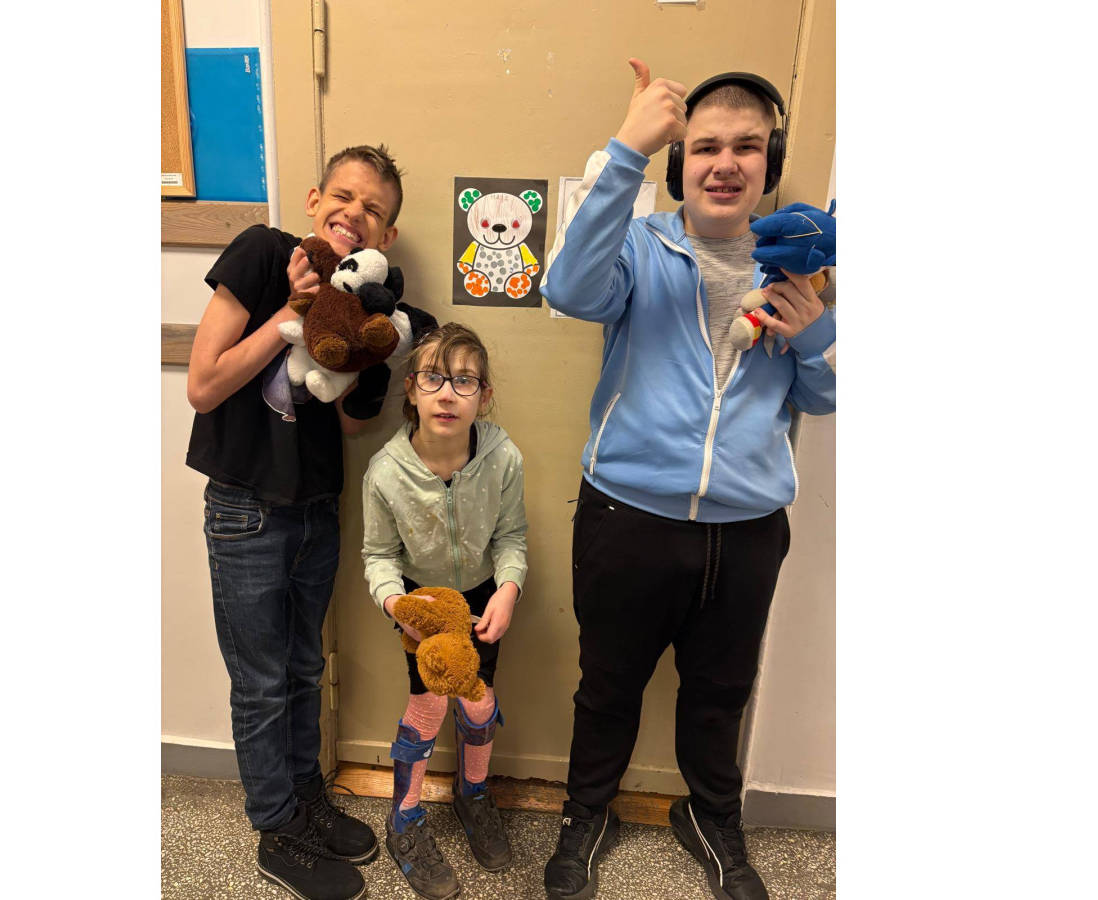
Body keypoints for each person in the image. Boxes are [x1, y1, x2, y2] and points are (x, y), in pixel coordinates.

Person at [539, 60, 836, 900]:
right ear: (680, 161)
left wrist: (817, 334)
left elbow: (823, 397)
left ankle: (711, 818)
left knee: (720, 695)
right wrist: (625, 151)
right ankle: (585, 813)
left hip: (747, 531)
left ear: (770, 163)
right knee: (608, 689)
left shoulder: (799, 267)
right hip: (627, 517)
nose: (725, 163)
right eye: (705, 146)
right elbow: (568, 289)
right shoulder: (638, 246)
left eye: (747, 146)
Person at [186, 145, 410, 900]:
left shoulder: (367, 291)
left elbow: (348, 423)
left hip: (317, 505)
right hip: (244, 508)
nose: (354, 214)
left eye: (373, 210)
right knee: (260, 682)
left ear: (387, 236)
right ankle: (275, 828)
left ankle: (305, 798)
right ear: (314, 199)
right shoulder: (262, 252)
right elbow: (203, 385)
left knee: (305, 668)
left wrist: (375, 352)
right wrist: (292, 310)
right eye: (343, 196)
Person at [361, 322, 529, 900]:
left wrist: (508, 589)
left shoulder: (503, 458)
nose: (447, 393)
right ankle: (404, 819)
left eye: (464, 381)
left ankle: (472, 793)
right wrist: (397, 604)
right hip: (424, 607)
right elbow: (378, 555)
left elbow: (512, 537)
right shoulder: (386, 471)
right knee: (429, 704)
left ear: (484, 396)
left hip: (484, 597)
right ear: (411, 389)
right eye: (432, 378)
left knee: (479, 703)